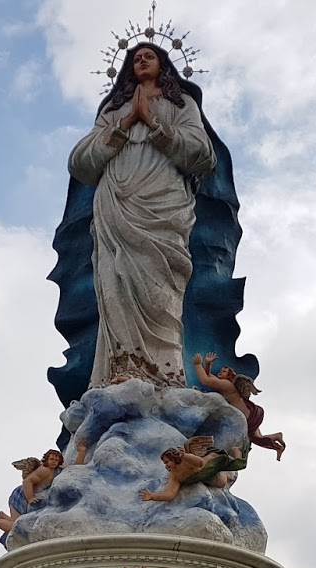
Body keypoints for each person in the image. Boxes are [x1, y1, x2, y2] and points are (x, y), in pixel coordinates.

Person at [69, 42, 216, 390]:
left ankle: (166, 376)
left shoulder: (181, 104)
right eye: (135, 58)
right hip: (115, 206)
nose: (141, 61)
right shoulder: (114, 109)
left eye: (148, 56)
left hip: (163, 206)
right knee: (115, 281)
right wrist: (124, 123)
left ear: (162, 63)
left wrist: (154, 123)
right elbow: (80, 163)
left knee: (159, 289)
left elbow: (202, 155)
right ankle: (124, 368)